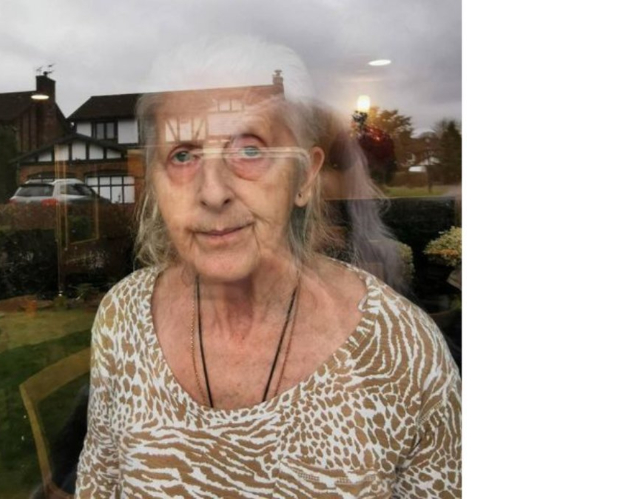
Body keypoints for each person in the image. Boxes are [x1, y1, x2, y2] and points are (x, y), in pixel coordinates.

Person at [75, 36, 461, 498]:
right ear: (155, 183)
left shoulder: (402, 350)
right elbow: (99, 482)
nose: (213, 192)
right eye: (183, 155)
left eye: (250, 150)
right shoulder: (124, 318)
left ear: (305, 177)